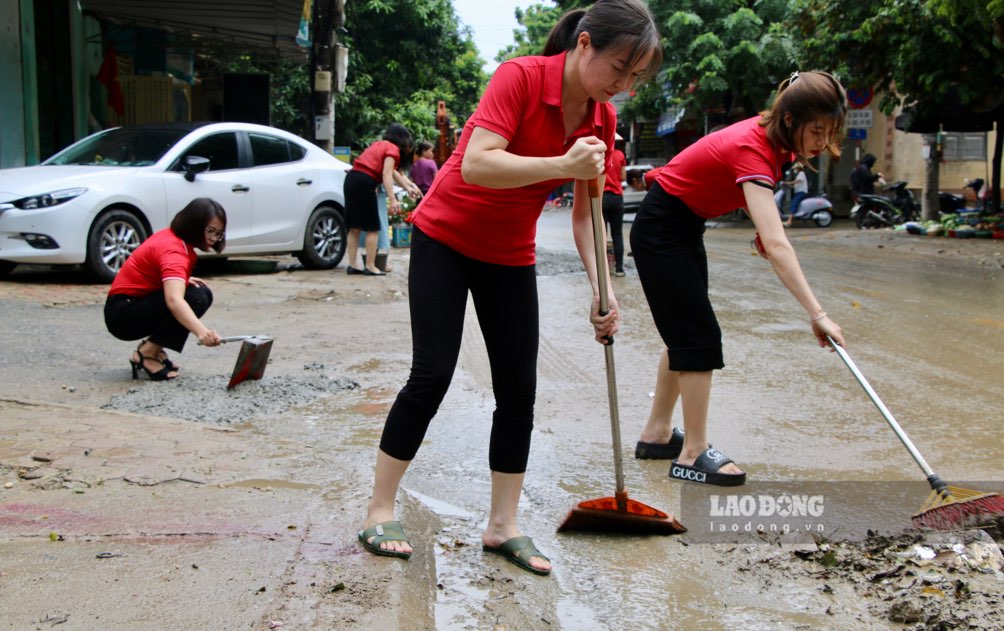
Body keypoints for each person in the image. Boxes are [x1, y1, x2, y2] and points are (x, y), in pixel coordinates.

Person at [358, 0, 661, 576]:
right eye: (618, 68)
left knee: (518, 390)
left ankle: (502, 526)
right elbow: (476, 164)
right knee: (432, 376)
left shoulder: (602, 121)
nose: (622, 86)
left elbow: (586, 216)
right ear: (584, 44)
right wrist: (562, 161)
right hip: (444, 239)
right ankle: (379, 508)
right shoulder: (519, 77)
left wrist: (605, 290)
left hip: (508, 253)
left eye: (635, 77)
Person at [629, 71, 847, 486]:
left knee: (684, 335)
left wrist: (761, 227)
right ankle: (692, 453)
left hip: (683, 224)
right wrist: (817, 313)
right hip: (662, 229)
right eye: (816, 130)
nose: (821, 140)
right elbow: (779, 244)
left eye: (830, 131)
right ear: (789, 120)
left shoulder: (774, 142)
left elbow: (728, 186)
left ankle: (657, 434)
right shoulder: (754, 146)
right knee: (698, 337)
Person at [104, 198, 225, 380]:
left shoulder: (172, 237)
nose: (214, 238)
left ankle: (155, 348)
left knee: (200, 291)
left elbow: (153, 271)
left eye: (219, 233)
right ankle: (147, 353)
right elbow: (173, 300)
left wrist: (182, 279)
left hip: (127, 304)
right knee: (196, 297)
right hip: (123, 315)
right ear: (194, 224)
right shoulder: (175, 251)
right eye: (210, 230)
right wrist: (202, 332)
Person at [345, 124, 422, 276]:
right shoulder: (393, 149)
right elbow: (387, 174)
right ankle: (371, 266)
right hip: (365, 182)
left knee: (354, 227)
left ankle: (353, 265)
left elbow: (394, 173)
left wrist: (409, 187)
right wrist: (393, 199)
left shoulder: (379, 145)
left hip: (351, 179)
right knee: (373, 228)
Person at [602, 136, 628, 276]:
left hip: (602, 198)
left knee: (601, 235)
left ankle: (603, 269)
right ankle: (619, 269)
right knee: (617, 234)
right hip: (617, 198)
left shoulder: (600, 154)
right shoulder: (620, 155)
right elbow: (623, 177)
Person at [781, 163, 809, 227]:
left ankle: (789, 221)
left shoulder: (801, 173)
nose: (795, 170)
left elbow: (798, 181)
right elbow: (797, 184)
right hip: (799, 192)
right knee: (794, 203)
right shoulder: (799, 174)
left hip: (801, 192)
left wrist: (788, 182)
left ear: (798, 168)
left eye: (796, 168)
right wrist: (789, 185)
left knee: (794, 204)